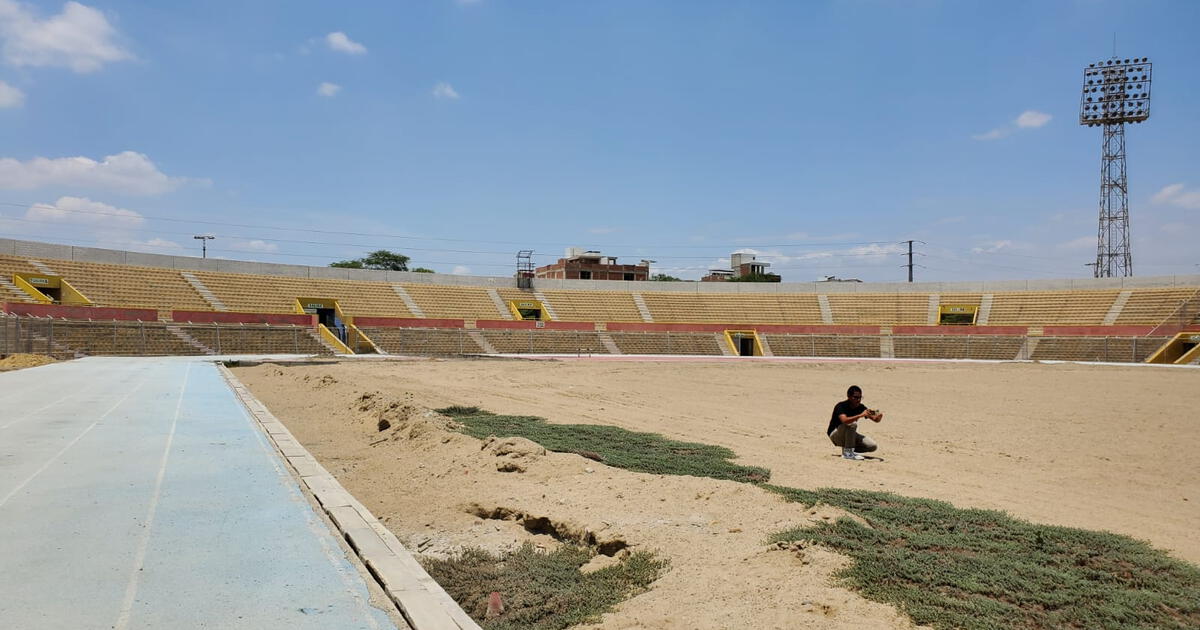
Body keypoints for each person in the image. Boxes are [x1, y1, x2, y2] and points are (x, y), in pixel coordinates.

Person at [827, 385, 883, 461]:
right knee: (852, 424)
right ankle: (848, 453)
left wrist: (878, 418)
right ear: (849, 396)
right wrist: (860, 415)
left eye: (860, 397)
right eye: (855, 397)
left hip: (849, 435)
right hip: (835, 435)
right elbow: (845, 420)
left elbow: (874, 419)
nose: (858, 400)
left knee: (872, 446)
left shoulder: (861, 407)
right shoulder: (840, 406)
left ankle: (848, 450)